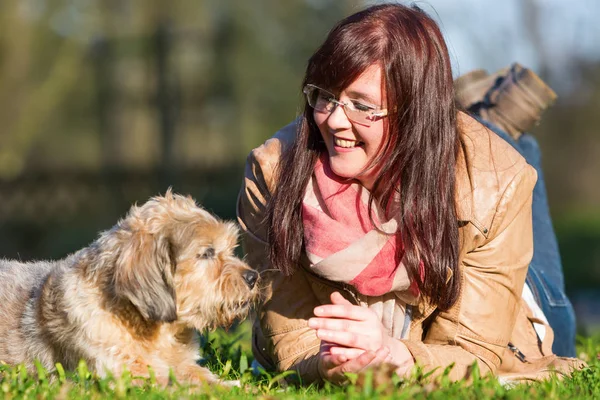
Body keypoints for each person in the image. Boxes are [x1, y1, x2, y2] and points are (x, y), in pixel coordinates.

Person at [237, 3, 583, 385]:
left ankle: (497, 124)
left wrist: (395, 355)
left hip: (507, 291)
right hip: (429, 152)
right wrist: (322, 365)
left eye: (362, 106)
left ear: (412, 111)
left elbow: (473, 352)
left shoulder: (497, 183)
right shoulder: (272, 172)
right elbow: (288, 333)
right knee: (469, 149)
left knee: (560, 325)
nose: (333, 120)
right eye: (324, 96)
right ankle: (483, 118)